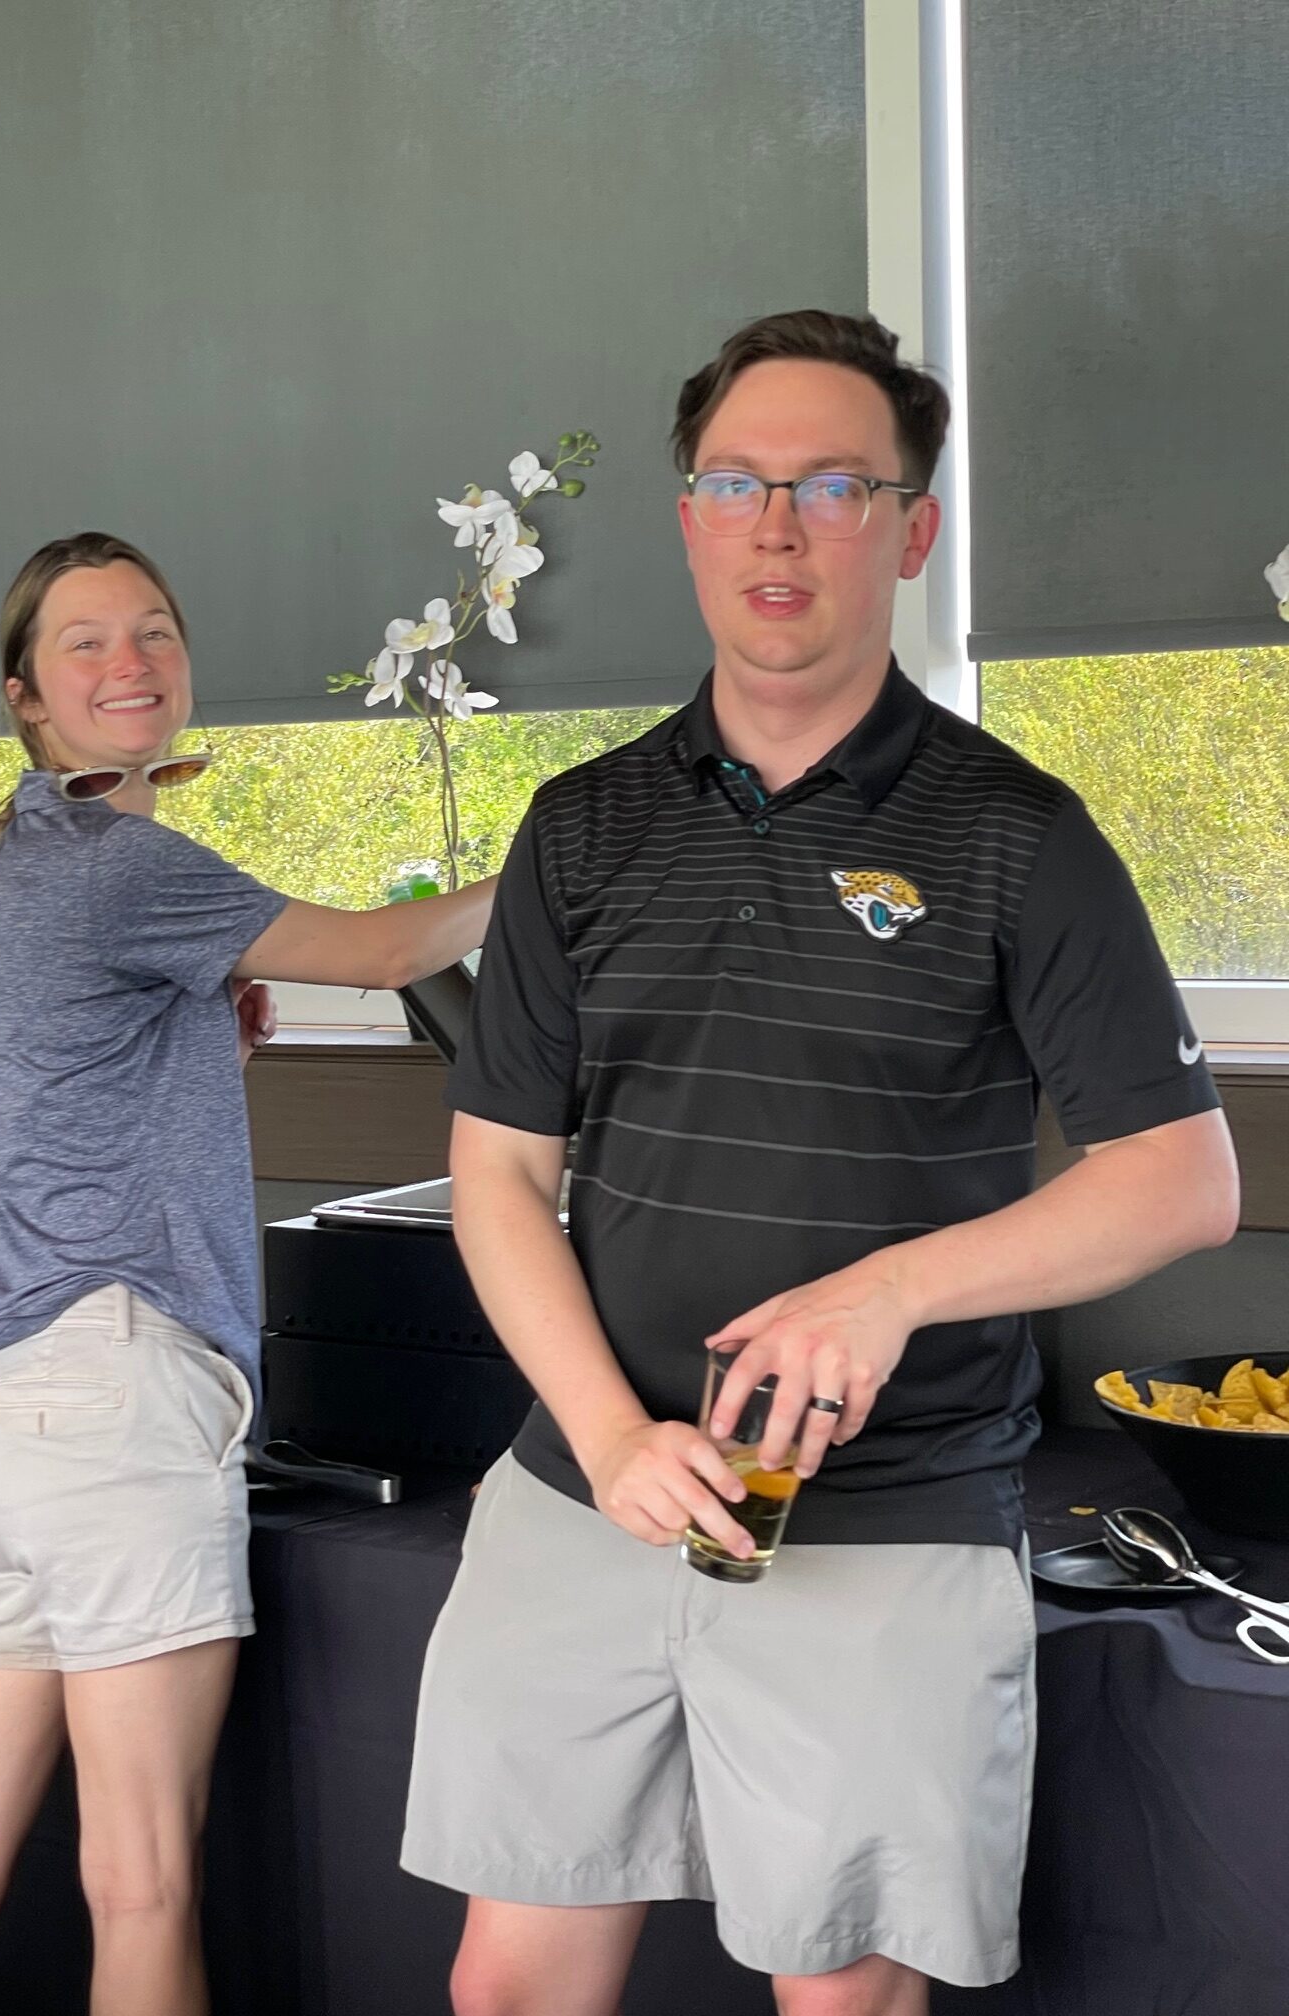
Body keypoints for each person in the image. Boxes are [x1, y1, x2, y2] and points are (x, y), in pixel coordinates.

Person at [400, 311, 1240, 2016]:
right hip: (586, 1502)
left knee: (840, 1996)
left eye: (832, 486)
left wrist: (890, 1293)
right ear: (691, 518)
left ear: (911, 532)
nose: (778, 525)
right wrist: (612, 1434)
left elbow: (1180, 1179)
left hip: (887, 1529)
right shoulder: (581, 824)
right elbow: (497, 1177)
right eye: (737, 483)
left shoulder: (1022, 835)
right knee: (508, 1984)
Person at [0, 531, 494, 2016]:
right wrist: (561, 853)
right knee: (140, 1885)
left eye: (152, 631)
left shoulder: (36, 851)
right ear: (27, 697)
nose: (129, 661)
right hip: (111, 1404)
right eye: (86, 643)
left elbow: (93, 1067)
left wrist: (207, 1041)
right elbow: (397, 949)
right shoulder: (124, 860)